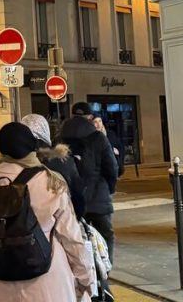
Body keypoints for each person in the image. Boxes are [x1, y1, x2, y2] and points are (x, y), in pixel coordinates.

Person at [0, 122, 95, 301]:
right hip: (49, 281)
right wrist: (86, 279)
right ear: (32, 147)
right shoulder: (50, 181)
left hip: (3, 284)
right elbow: (71, 237)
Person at [63, 102, 119, 288]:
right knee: (106, 234)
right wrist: (108, 189)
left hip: (72, 200)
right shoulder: (98, 138)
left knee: (75, 238)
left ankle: (80, 275)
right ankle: (104, 272)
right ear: (89, 117)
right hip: (98, 198)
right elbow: (112, 168)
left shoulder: (59, 138)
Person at [22, 113, 86, 218]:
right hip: (58, 223)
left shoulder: (12, 165)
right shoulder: (63, 161)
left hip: (23, 228)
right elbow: (78, 197)